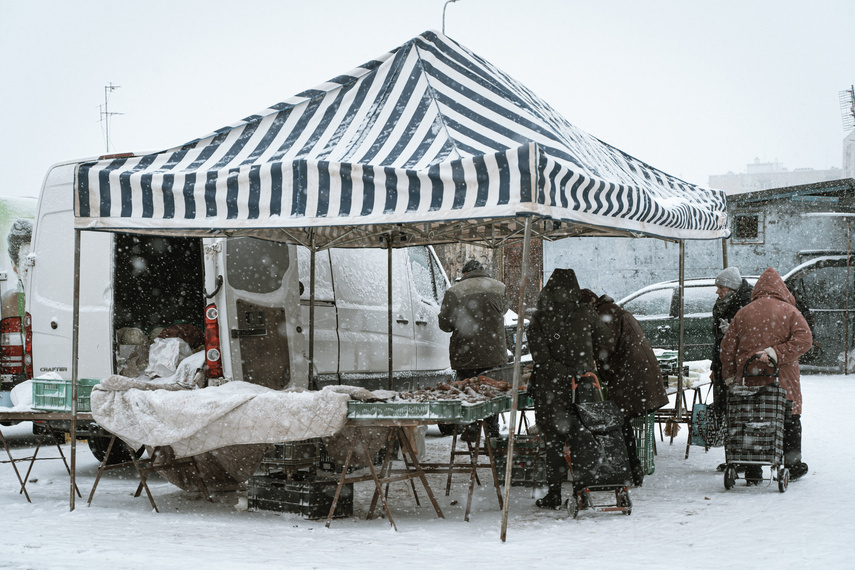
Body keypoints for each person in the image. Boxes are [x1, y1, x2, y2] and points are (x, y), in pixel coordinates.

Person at [526, 269, 611, 509]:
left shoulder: (539, 318)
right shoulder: (584, 312)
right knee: (582, 439)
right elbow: (605, 336)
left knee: (553, 442)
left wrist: (559, 371)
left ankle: (553, 493)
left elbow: (540, 356)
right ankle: (581, 490)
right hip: (581, 385)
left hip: (549, 389)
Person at [720, 267, 812, 484]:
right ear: (781, 289)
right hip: (783, 380)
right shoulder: (790, 312)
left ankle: (752, 468)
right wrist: (776, 353)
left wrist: (730, 376)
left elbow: (727, 349)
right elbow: (804, 341)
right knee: (788, 419)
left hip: (749, 379)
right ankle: (792, 464)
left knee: (751, 420)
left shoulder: (743, 313)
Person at [579, 288, 668, 487]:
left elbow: (604, 348)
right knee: (621, 422)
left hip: (632, 377)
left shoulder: (606, 314)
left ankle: (628, 471)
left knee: (619, 423)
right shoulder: (611, 310)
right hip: (637, 374)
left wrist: (599, 369)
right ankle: (630, 471)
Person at [438, 259, 509, 438]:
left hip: (465, 353)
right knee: (491, 391)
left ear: (465, 273)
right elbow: (504, 310)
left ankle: (471, 430)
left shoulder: (454, 291)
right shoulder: (500, 287)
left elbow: (445, 324)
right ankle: (492, 429)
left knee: (467, 392)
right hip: (494, 352)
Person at [710, 266, 753, 471]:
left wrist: (731, 334)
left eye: (721, 288)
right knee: (728, 414)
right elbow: (717, 341)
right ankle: (733, 458)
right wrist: (714, 366)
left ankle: (742, 460)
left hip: (737, 369)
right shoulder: (722, 306)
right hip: (723, 365)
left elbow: (744, 341)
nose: (718, 292)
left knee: (739, 414)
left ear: (732, 289)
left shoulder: (745, 306)